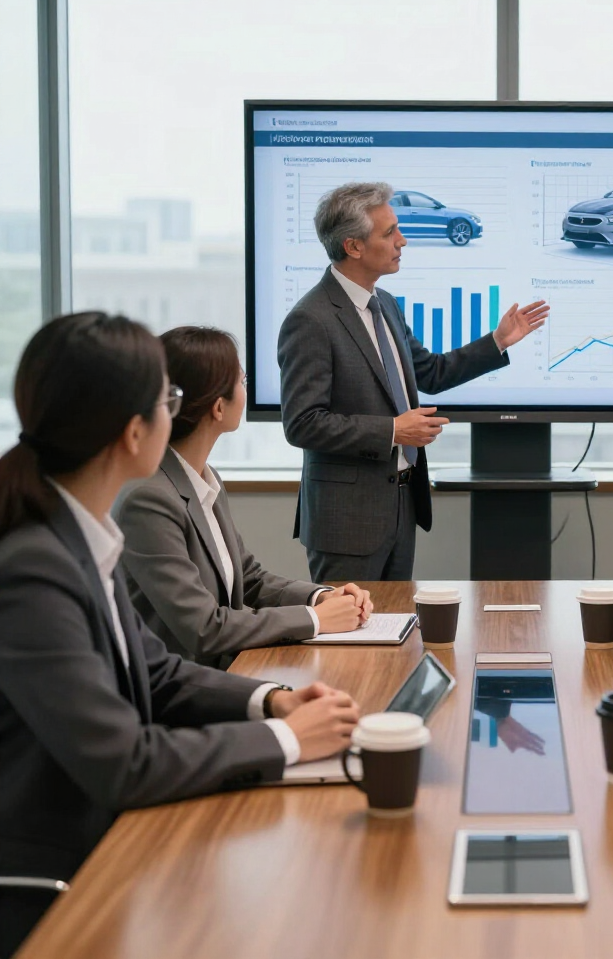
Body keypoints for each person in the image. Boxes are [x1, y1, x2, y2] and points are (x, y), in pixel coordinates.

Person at [0, 313, 361, 958]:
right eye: (167, 400)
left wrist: (272, 701)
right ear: (134, 432)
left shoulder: (77, 537)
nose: (177, 414)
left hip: (117, 837)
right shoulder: (35, 568)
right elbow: (123, 763)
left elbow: (157, 670)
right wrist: (284, 739)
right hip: (66, 877)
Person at [278, 181, 549, 582]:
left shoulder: (384, 303)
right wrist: (392, 430)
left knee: (394, 635)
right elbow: (302, 423)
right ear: (353, 246)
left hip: (400, 507)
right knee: (350, 640)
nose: (403, 241)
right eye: (390, 233)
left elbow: (431, 372)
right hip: (346, 522)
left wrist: (497, 342)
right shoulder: (311, 319)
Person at [116, 326, 372, 669]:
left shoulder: (202, 477)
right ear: (218, 407)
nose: (246, 389)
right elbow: (204, 628)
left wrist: (323, 596)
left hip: (224, 672)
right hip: (181, 691)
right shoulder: (149, 499)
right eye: (242, 380)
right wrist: (316, 619)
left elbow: (250, 578)